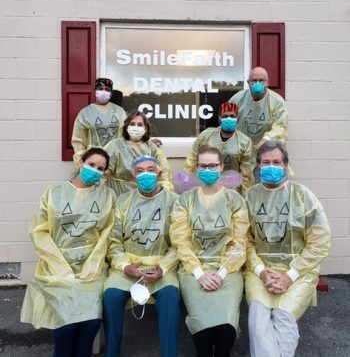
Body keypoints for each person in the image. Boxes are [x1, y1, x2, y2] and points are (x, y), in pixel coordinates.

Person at [21, 147, 116, 357]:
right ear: (80, 163)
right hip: (56, 269)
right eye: (91, 165)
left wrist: (94, 263)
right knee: (66, 327)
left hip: (92, 269)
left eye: (101, 168)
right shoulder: (54, 193)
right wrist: (60, 267)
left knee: (90, 323)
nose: (95, 170)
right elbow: (39, 231)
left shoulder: (107, 196)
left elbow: (107, 234)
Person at [244, 140, 331, 357]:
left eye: (276, 162)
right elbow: (244, 241)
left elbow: (319, 243)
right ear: (258, 166)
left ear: (286, 165)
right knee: (257, 316)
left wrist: (289, 276)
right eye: (265, 162)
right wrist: (261, 272)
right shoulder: (250, 197)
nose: (271, 166)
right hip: (260, 270)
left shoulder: (303, 196)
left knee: (283, 316)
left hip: (299, 272)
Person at [170, 145, 249, 357]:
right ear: (196, 168)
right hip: (192, 269)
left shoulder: (235, 200)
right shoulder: (184, 200)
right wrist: (199, 274)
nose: (207, 169)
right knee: (202, 330)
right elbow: (181, 240)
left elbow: (240, 242)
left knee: (225, 329)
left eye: (212, 165)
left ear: (221, 167)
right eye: (203, 166)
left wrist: (221, 273)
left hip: (228, 271)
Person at [103, 155, 181, 357]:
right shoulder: (123, 202)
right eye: (140, 171)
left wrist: (163, 267)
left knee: (171, 297)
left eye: (150, 169)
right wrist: (124, 266)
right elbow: (114, 242)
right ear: (133, 176)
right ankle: (111, 353)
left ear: (159, 173)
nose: (145, 174)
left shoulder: (175, 201)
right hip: (128, 265)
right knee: (111, 297)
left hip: (161, 266)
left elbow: (179, 242)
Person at [184, 102, 255, 195]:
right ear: (219, 118)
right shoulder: (206, 135)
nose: (228, 118)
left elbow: (247, 176)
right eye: (225, 116)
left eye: (232, 116)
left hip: (231, 191)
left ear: (238, 118)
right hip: (205, 187)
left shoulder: (245, 142)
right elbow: (191, 160)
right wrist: (187, 184)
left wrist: (245, 199)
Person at [104, 110, 173, 196]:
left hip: (146, 197)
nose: (136, 127)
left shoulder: (152, 148)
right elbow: (102, 172)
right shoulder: (115, 146)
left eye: (140, 124)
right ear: (126, 127)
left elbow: (164, 175)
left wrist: (163, 194)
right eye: (132, 124)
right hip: (119, 196)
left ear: (145, 128)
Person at [229, 67, 288, 151]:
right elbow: (227, 120)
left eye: (261, 80)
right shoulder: (237, 99)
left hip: (267, 150)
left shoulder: (277, 102)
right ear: (248, 82)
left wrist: (266, 140)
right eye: (254, 80)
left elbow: (281, 127)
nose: (257, 83)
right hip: (241, 149)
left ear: (268, 82)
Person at [71, 78, 127, 163]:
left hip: (116, 160)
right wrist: (81, 162)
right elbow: (79, 140)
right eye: (100, 89)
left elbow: (127, 134)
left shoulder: (120, 111)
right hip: (93, 161)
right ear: (95, 91)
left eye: (107, 89)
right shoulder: (85, 113)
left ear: (111, 93)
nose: (103, 91)